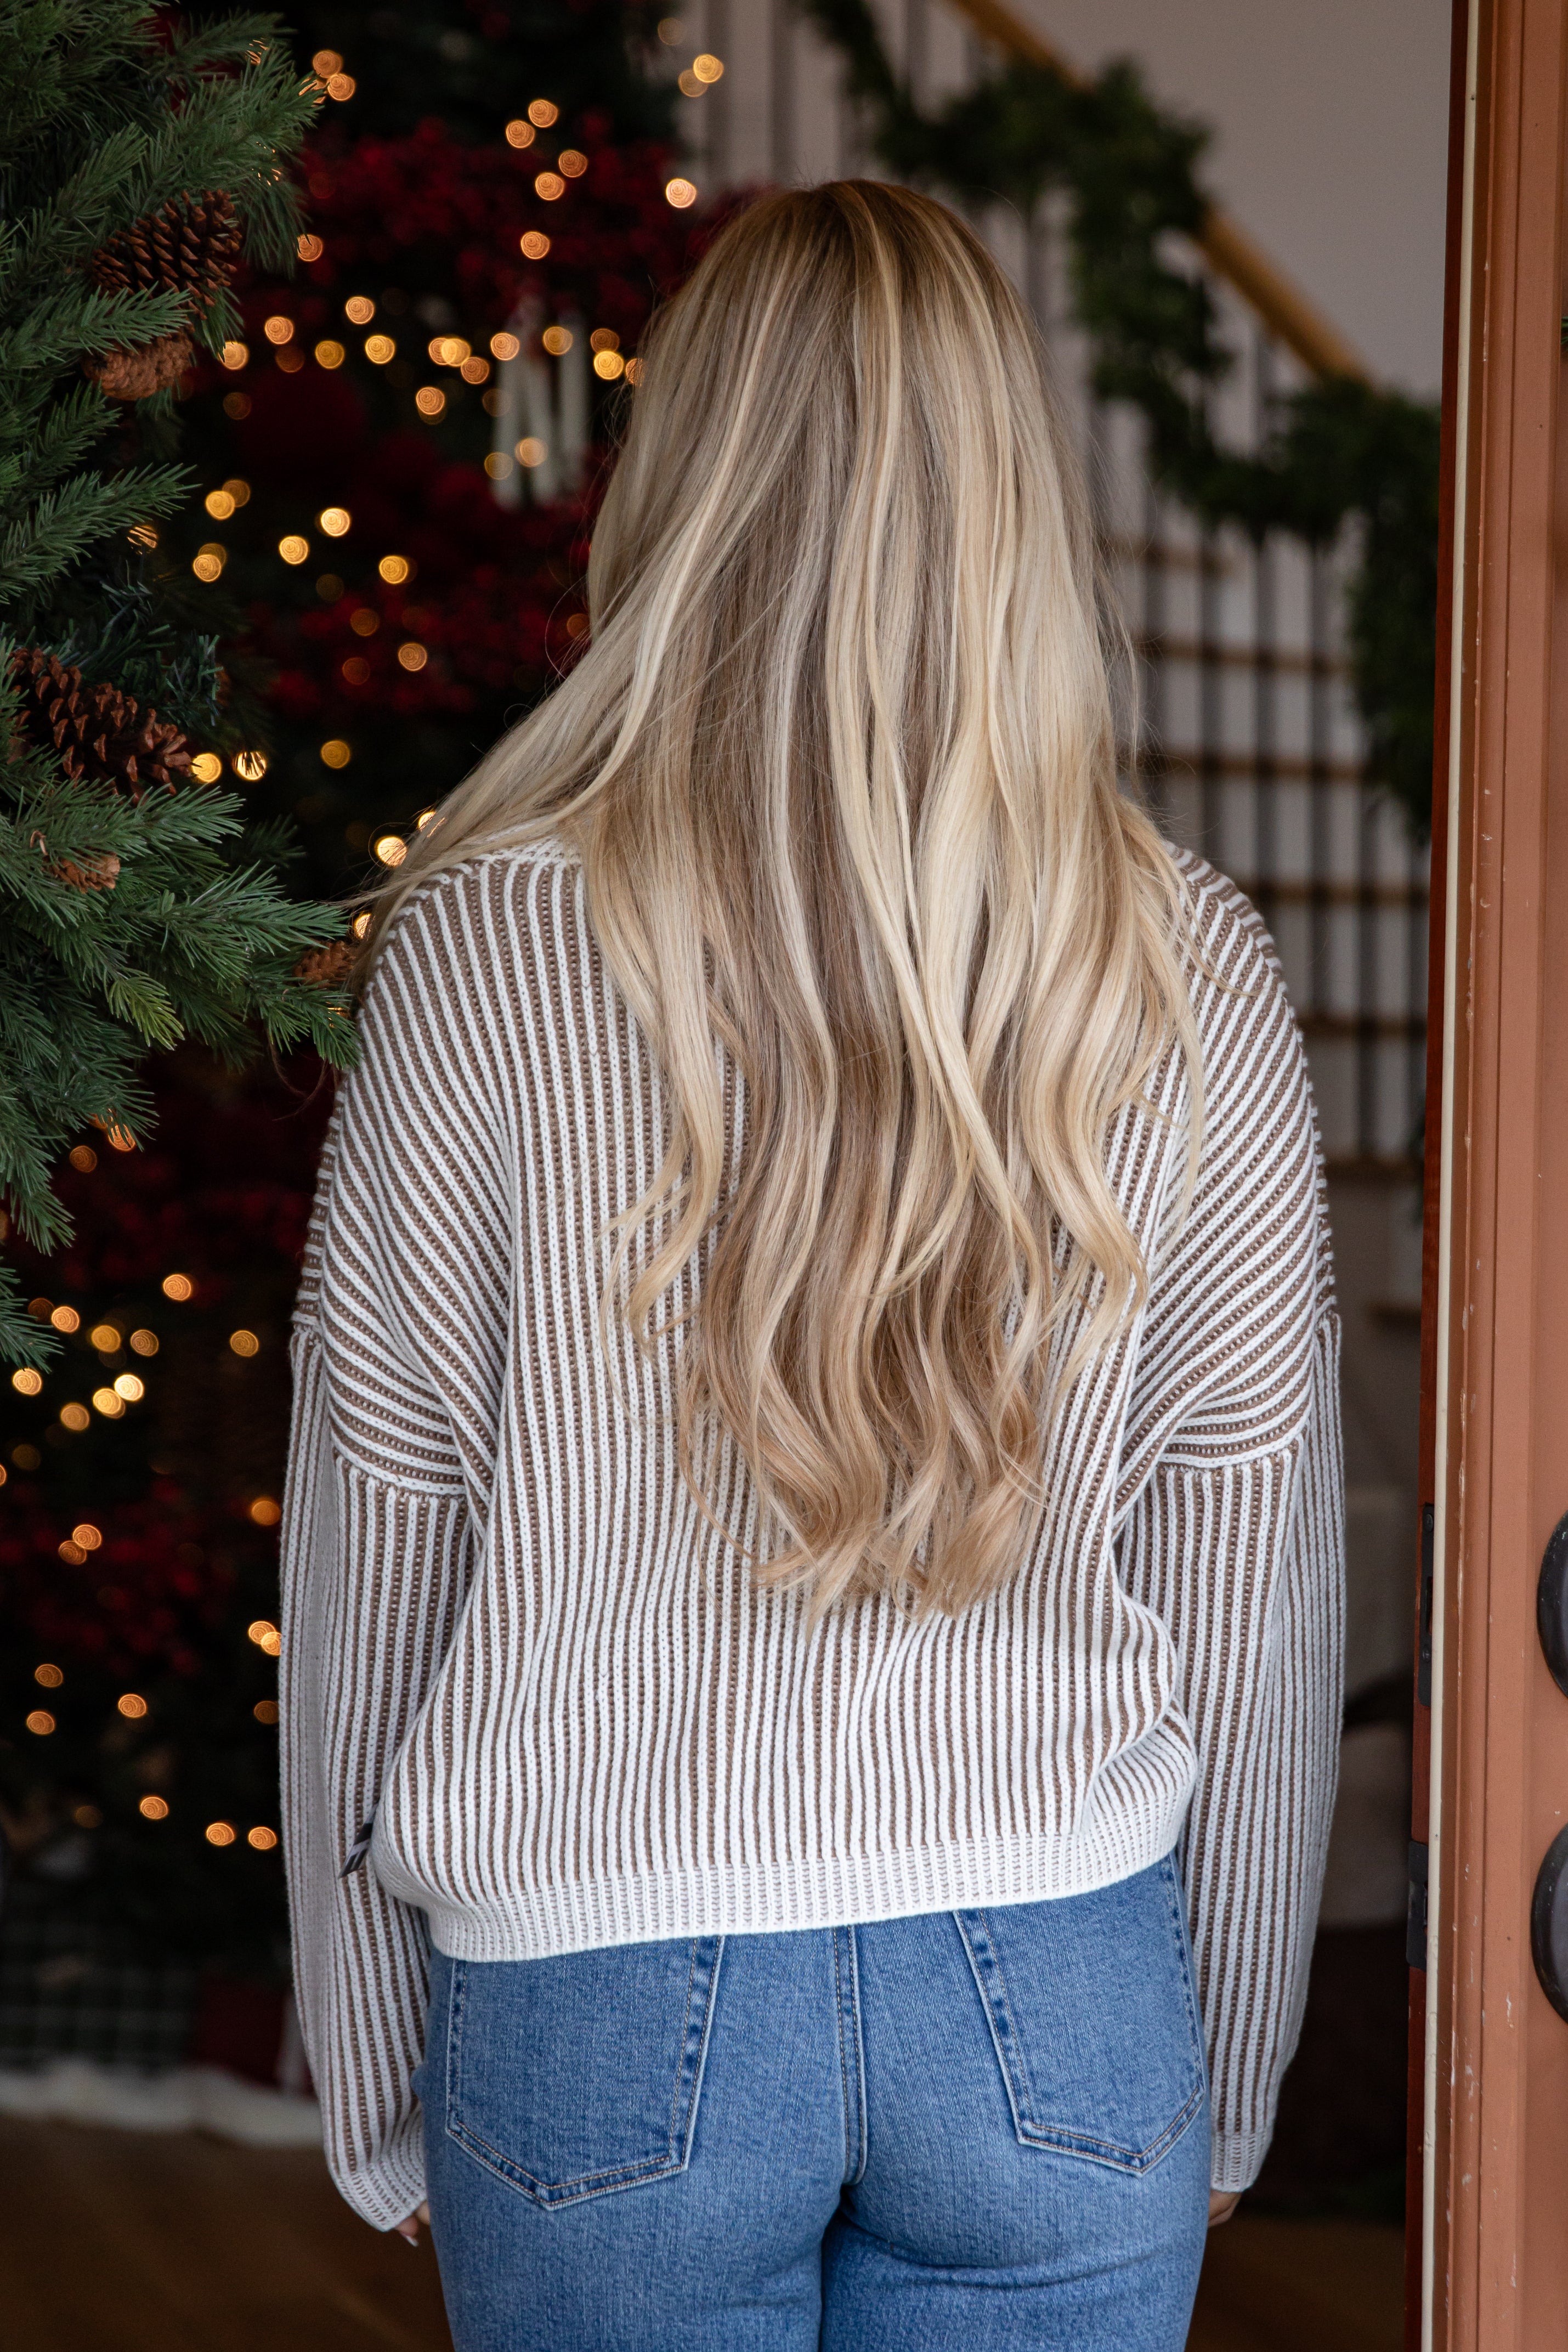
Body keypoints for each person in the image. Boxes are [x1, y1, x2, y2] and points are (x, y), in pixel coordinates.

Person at [281, 180, 1343, 2351]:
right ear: (1008, 508)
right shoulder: (1184, 967)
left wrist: (369, 2061)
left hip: (593, 1991)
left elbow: (377, 1536)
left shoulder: (481, 954)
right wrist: (1214, 2072)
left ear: (685, 484)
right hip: (1060, 1993)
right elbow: (1254, 1580)